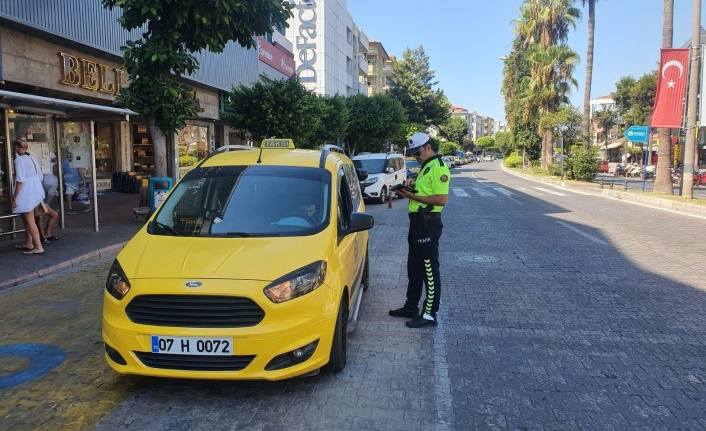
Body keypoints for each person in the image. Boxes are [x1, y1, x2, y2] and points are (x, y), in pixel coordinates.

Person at [390, 132, 450, 328]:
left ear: (428, 147)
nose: (416, 157)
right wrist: (408, 188)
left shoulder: (438, 167)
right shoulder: (426, 167)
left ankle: (430, 314)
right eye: (414, 154)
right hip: (417, 223)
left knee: (429, 270)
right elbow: (424, 191)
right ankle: (411, 306)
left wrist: (411, 197)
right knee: (414, 268)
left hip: (428, 224)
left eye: (418, 153)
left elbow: (441, 199)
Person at [11, 138, 46, 255]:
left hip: (26, 192)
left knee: (30, 220)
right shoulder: (33, 158)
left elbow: (20, 180)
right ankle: (29, 242)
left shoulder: (19, 160)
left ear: (17, 147)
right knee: (28, 219)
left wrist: (15, 197)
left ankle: (38, 246)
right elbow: (40, 177)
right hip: (36, 190)